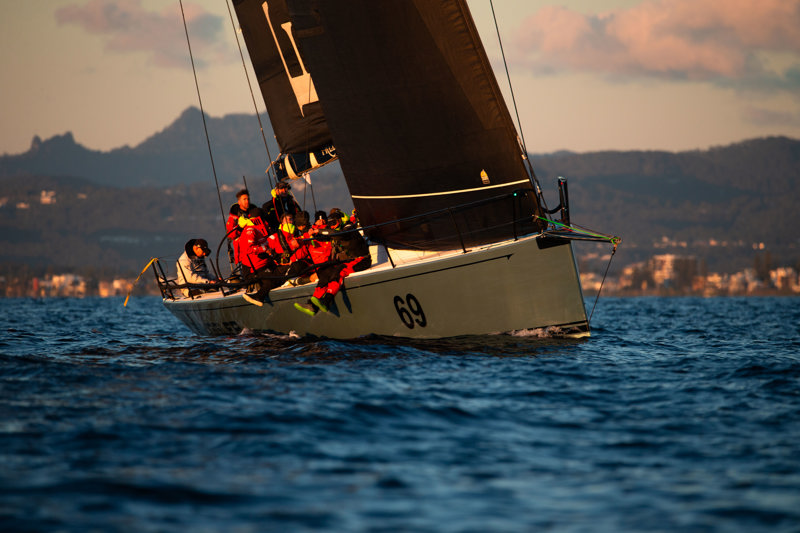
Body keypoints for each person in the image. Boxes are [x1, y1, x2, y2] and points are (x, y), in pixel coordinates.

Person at [294, 212, 372, 316]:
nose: (332, 226)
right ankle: (313, 304)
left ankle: (327, 300)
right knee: (326, 272)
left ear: (340, 220)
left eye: (334, 223)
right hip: (347, 261)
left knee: (339, 271)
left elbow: (339, 235)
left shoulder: (348, 227)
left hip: (362, 260)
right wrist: (311, 234)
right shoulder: (334, 231)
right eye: (330, 224)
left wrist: (319, 230)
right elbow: (323, 237)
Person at [225, 189, 264, 264]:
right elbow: (230, 235)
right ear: (239, 202)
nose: (247, 201)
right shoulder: (234, 217)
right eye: (244, 199)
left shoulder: (255, 213)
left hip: (257, 249)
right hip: (243, 253)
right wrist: (240, 228)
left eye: (248, 199)